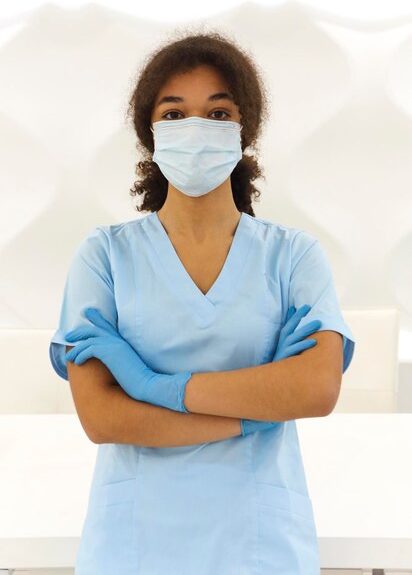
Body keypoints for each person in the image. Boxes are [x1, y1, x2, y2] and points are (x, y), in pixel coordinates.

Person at [49, 30, 355, 574]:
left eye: (218, 114)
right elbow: (102, 416)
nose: (195, 130)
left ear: (245, 130)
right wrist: (252, 415)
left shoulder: (293, 256)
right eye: (174, 114)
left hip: (259, 540)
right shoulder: (104, 257)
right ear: (149, 131)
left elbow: (315, 387)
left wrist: (153, 388)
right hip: (137, 540)